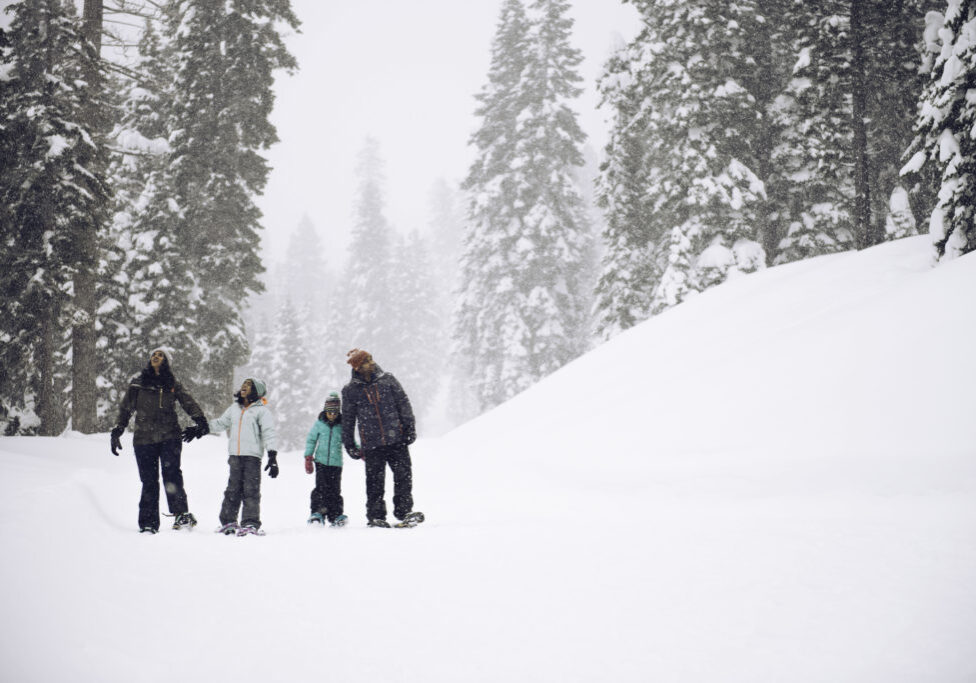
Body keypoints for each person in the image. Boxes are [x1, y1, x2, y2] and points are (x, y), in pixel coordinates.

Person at [111, 347, 208, 534]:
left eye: (160, 355)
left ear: (166, 362)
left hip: (169, 436)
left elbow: (187, 401)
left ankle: (181, 515)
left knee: (172, 474)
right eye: (154, 354)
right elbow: (126, 408)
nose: (156, 356)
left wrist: (200, 420)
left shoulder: (172, 383)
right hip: (143, 439)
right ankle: (148, 523)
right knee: (149, 481)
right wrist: (118, 429)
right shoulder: (138, 382)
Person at [341, 349, 424, 528]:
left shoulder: (388, 380)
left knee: (403, 477)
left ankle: (404, 512)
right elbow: (348, 419)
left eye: (371, 359)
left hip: (397, 440)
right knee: (374, 483)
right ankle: (376, 516)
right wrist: (349, 444)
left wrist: (409, 428)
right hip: (372, 444)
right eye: (366, 361)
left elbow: (403, 404)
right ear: (357, 367)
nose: (371, 363)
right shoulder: (350, 390)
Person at [184, 378, 278, 536]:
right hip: (235, 456)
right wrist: (202, 428)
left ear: (257, 391)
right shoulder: (234, 408)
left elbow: (269, 433)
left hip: (252, 457)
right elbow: (221, 423)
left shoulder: (262, 412)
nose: (244, 386)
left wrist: (272, 455)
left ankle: (250, 523)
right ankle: (228, 522)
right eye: (244, 384)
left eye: (249, 385)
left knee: (251, 490)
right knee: (232, 489)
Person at [303, 391, 353, 527]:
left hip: (336, 463)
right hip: (321, 462)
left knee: (335, 490)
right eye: (329, 412)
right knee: (321, 488)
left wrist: (358, 450)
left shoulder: (342, 425)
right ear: (325, 411)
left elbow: (349, 440)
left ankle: (335, 515)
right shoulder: (319, 424)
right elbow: (311, 440)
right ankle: (317, 513)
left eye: (335, 413)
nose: (332, 415)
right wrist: (308, 457)